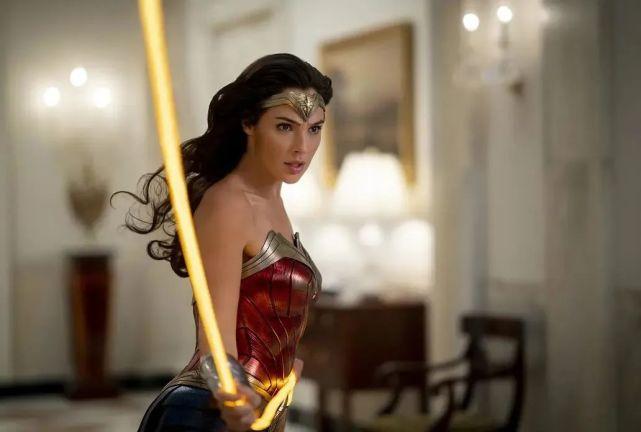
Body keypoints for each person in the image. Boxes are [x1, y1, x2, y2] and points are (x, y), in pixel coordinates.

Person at [111, 52, 332, 431]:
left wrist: (286, 371)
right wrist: (233, 393)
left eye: (314, 129)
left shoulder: (273, 201)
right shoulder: (228, 203)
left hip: (258, 412)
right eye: (285, 127)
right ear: (248, 123)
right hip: (203, 413)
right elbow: (214, 336)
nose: (302, 146)